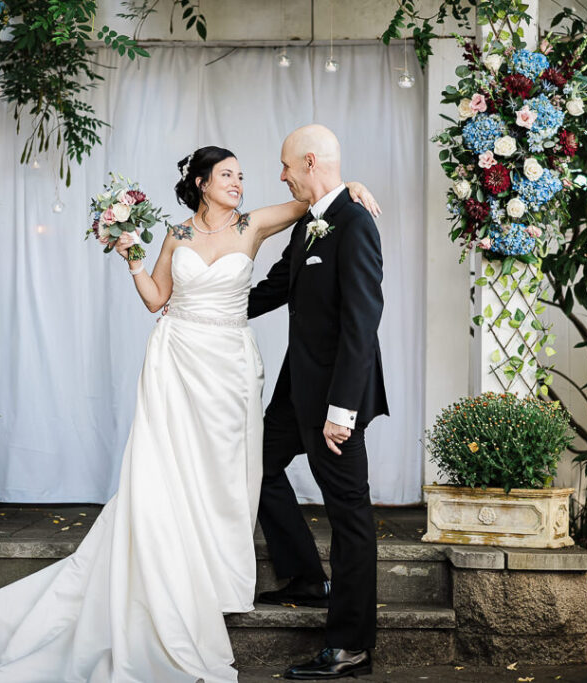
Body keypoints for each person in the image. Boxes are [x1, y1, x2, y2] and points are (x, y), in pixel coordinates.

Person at [0, 145, 379, 683]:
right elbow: (158, 296)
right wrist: (133, 260)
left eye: (244, 175)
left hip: (231, 366)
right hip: (178, 358)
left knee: (239, 468)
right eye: (229, 175)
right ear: (202, 182)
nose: (243, 182)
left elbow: (314, 204)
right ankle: (211, 572)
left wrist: (352, 188)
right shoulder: (177, 234)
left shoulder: (258, 222)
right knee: (171, 467)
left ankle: (262, 577)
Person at [249, 125, 389, 680]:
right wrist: (207, 310)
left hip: (335, 399)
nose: (281, 176)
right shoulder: (311, 222)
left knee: (350, 516)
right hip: (294, 390)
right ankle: (307, 576)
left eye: (286, 166)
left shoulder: (354, 222)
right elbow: (276, 286)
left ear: (309, 162)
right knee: (255, 465)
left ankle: (350, 643)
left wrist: (343, 411)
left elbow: (362, 323)